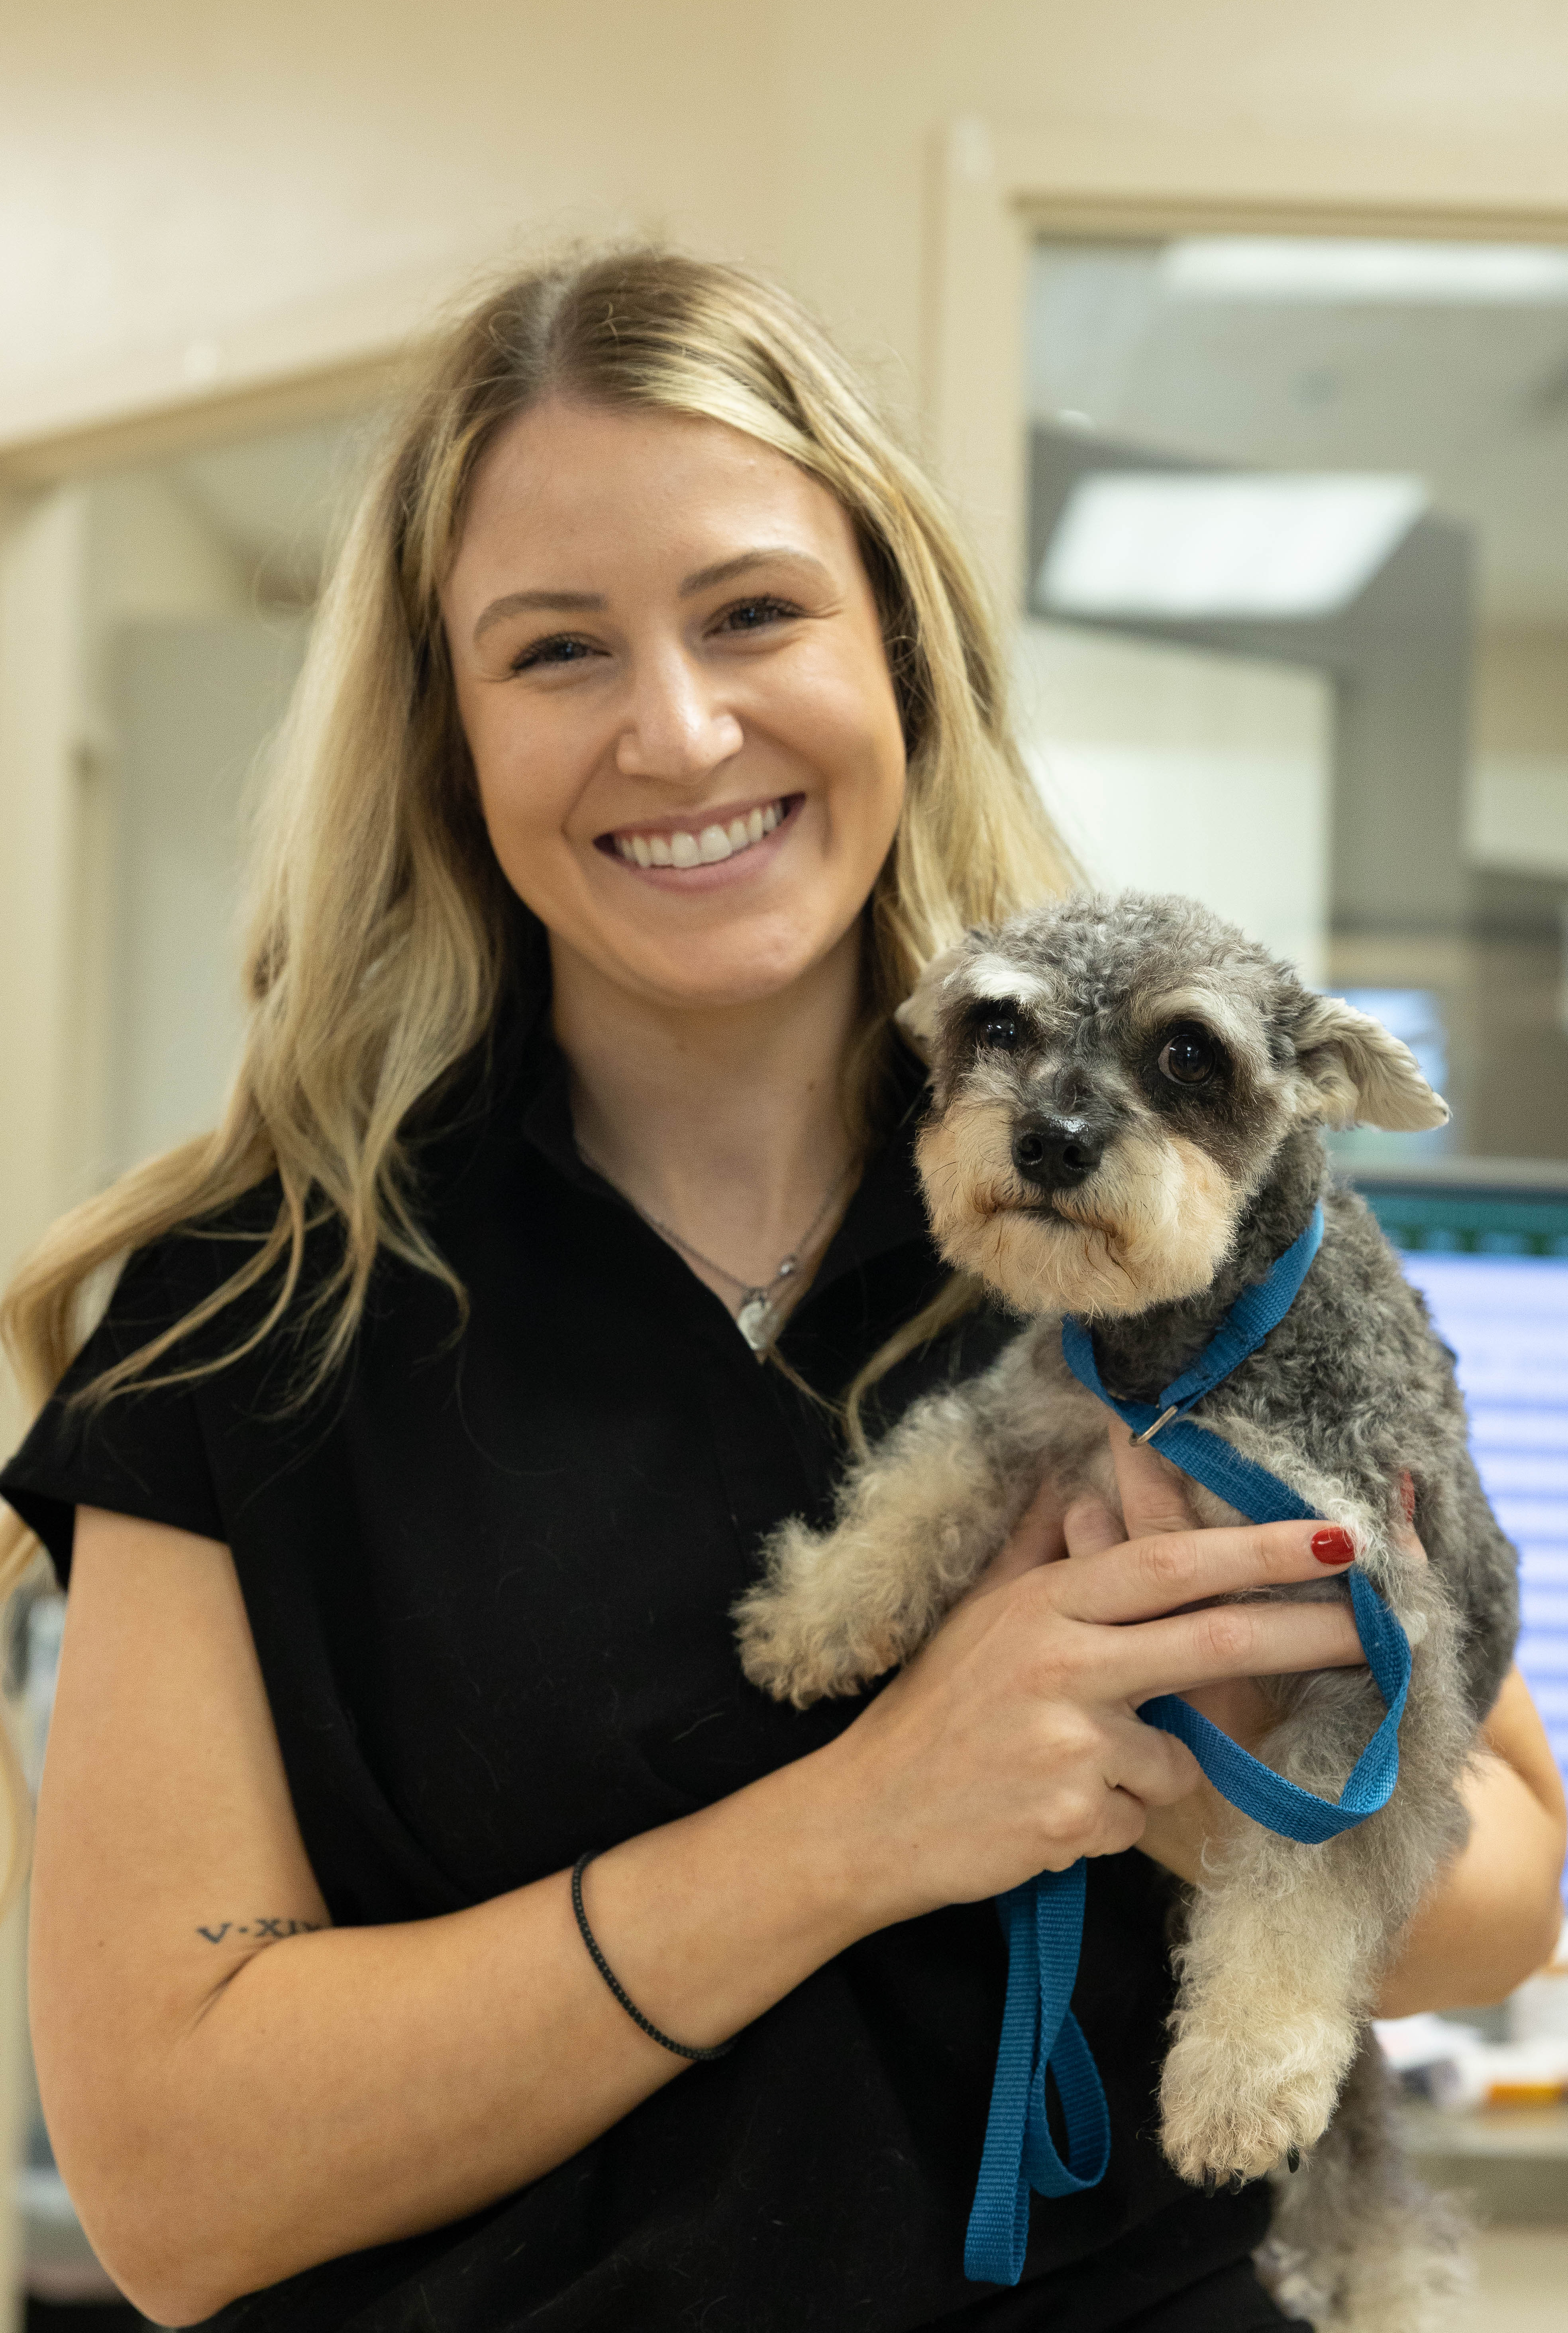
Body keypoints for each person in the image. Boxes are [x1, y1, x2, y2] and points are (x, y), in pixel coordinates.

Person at [0, 250, 1561, 2333]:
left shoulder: (1183, 1240)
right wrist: (862, 1821)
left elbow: (1510, 1883)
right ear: (452, 736)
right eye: (556, 650)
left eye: (754, 613)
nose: (678, 727)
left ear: (896, 651)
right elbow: (176, 2186)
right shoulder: (249, 1321)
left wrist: (1195, 1759)